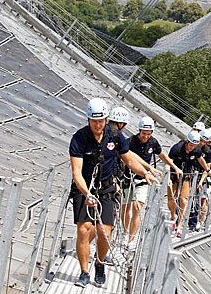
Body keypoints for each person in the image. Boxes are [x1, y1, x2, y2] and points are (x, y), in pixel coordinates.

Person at [70, 98, 158, 287]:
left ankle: (100, 263)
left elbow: (128, 159)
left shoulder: (115, 136)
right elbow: (76, 172)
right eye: (94, 121)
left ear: (106, 118)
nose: (98, 124)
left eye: (101, 120)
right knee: (84, 229)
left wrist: (145, 173)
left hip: (107, 189)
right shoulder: (79, 138)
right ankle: (84, 271)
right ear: (88, 120)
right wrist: (86, 194)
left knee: (104, 231)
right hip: (85, 188)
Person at [122, 116, 173, 245]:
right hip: (128, 177)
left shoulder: (153, 142)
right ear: (139, 131)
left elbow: (162, 155)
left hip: (143, 179)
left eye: (148, 134)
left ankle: (131, 238)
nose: (145, 136)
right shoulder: (130, 141)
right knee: (125, 208)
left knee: (137, 207)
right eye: (143, 133)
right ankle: (125, 231)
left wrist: (173, 167)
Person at [166, 131, 211, 237]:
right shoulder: (176, 148)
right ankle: (173, 217)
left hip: (186, 175)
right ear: (187, 141)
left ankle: (180, 226)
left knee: (183, 200)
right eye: (191, 144)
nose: (192, 147)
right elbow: (168, 163)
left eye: (195, 145)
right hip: (174, 174)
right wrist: (167, 177)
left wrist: (207, 169)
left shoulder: (197, 150)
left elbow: (201, 160)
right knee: (171, 198)